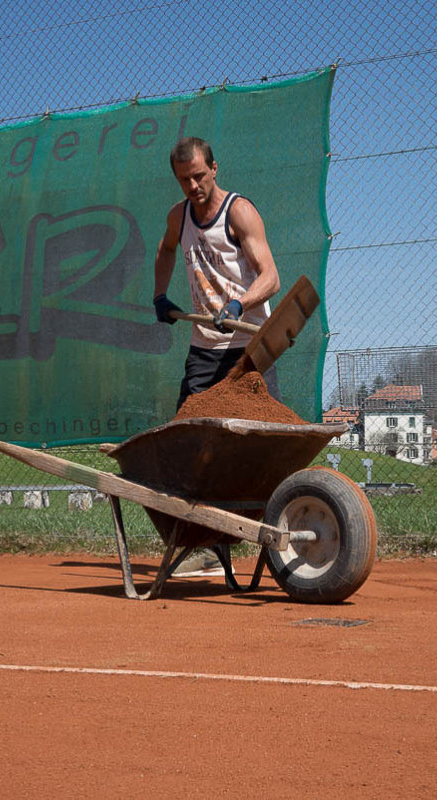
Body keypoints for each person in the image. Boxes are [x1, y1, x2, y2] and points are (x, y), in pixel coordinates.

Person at [152, 136, 281, 576]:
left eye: (199, 176)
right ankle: (204, 548)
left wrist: (238, 305)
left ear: (215, 169)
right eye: (184, 180)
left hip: (248, 349)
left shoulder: (239, 212)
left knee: (264, 451)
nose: (193, 186)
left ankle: (280, 541)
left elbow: (271, 276)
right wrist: (159, 295)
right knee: (187, 449)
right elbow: (167, 249)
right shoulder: (178, 217)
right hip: (205, 351)